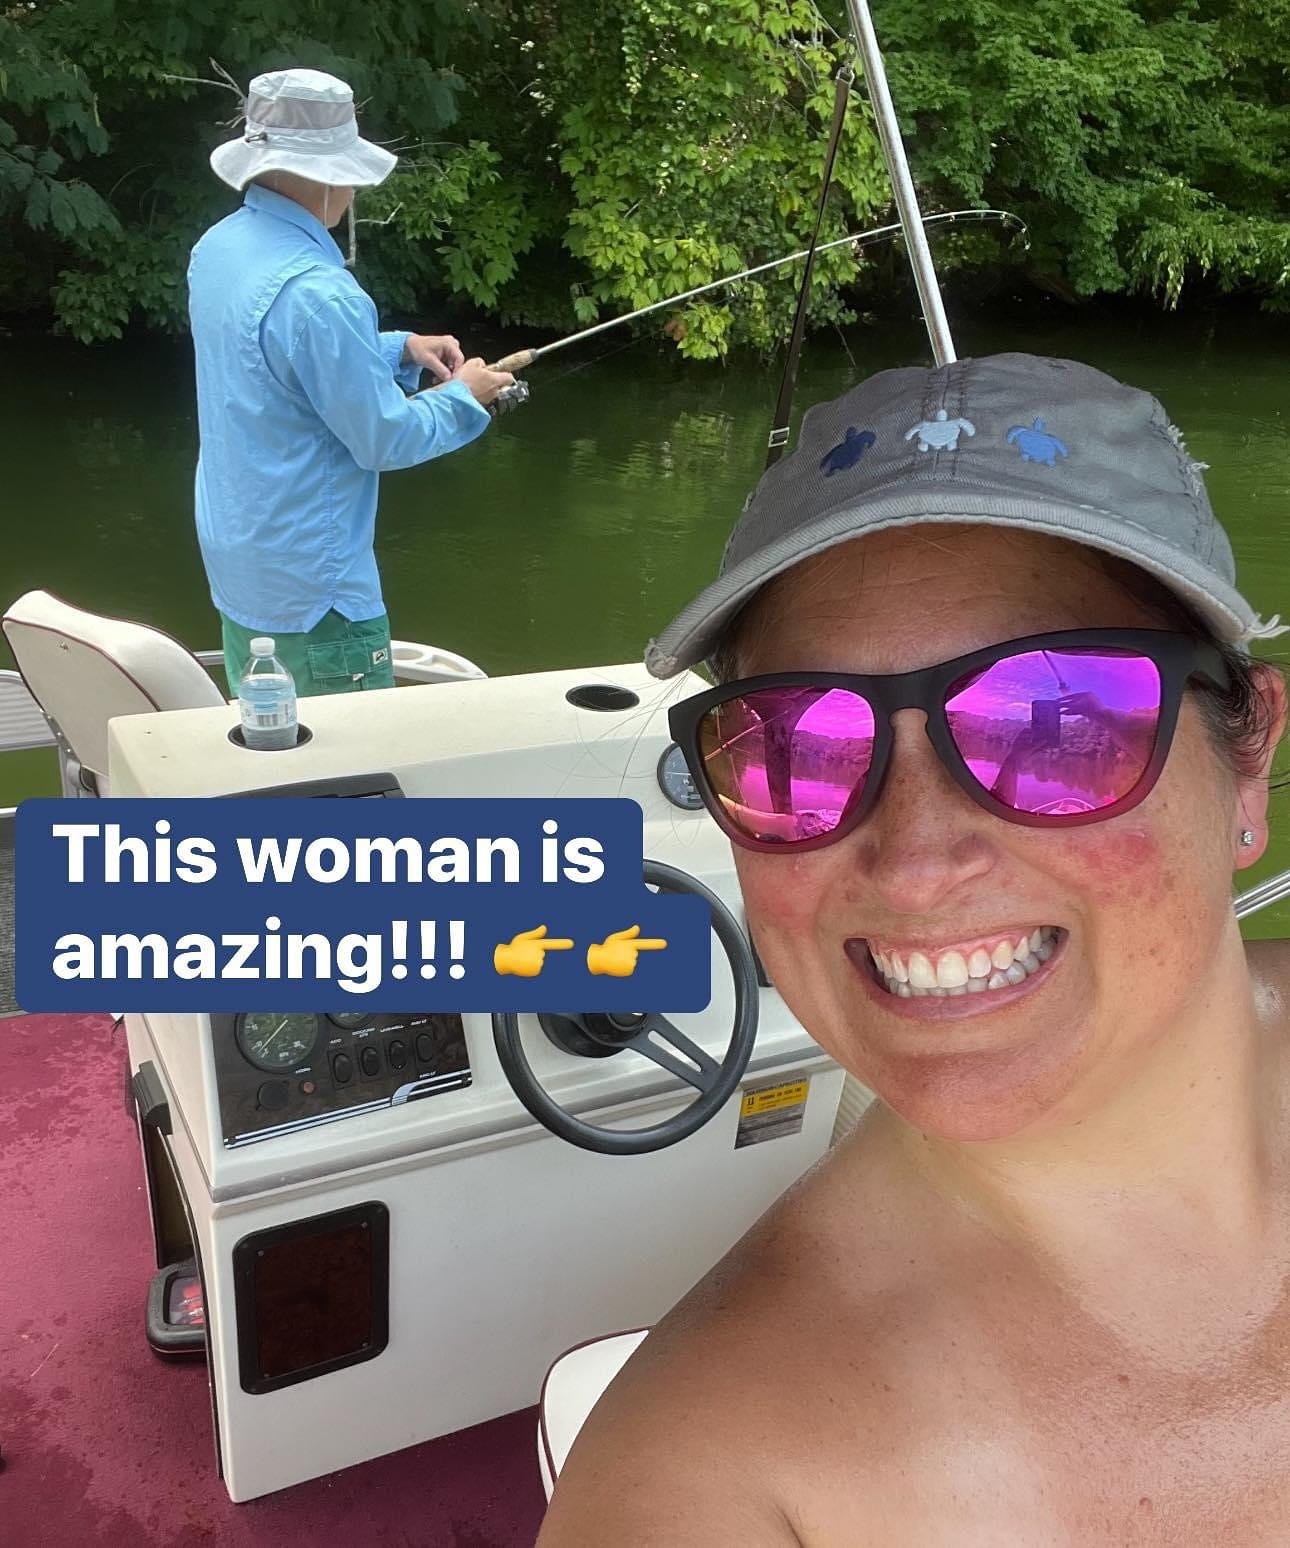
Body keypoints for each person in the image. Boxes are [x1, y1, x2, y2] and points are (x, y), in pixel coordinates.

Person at [539, 353, 1290, 1543]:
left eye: (1058, 724)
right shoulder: (703, 1476)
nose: (917, 861)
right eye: (797, 745)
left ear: (1245, 759)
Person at [188, 68, 514, 696]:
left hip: (243, 566)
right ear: (328, 174)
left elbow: (276, 368)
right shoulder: (320, 293)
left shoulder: (218, 250)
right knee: (345, 779)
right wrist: (462, 397)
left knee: (269, 751)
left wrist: (400, 348)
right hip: (317, 595)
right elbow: (384, 439)